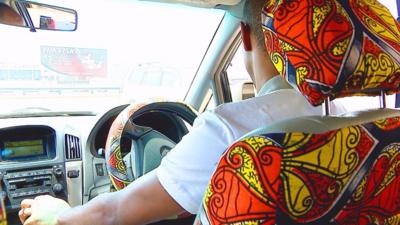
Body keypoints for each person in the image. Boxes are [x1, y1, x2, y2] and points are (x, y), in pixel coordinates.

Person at [18, 0, 345, 224]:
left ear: (245, 37)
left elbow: (112, 214)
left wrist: (58, 212)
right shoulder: (354, 119)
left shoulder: (228, 129)